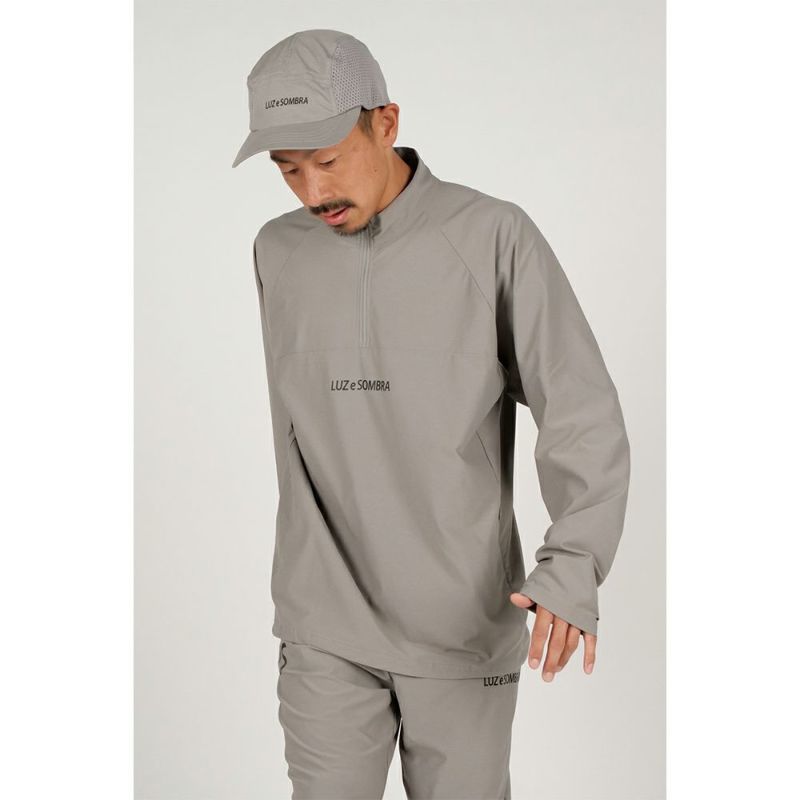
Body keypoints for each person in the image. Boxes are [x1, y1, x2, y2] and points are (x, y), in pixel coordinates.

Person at [233, 28, 631, 800]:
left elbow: (580, 407)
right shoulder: (277, 252)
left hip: (461, 627)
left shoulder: (491, 236)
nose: (312, 192)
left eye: (328, 159)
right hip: (323, 624)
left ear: (386, 123)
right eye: (287, 168)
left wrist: (574, 564)